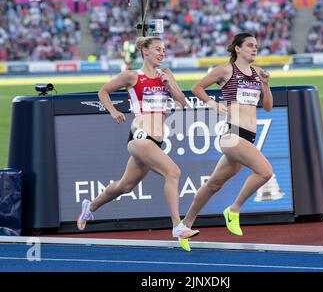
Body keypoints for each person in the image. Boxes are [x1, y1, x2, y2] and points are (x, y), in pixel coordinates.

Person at [77, 36, 199, 251]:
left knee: (125, 186)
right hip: (140, 136)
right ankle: (177, 226)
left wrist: (169, 85)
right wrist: (113, 111)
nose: (162, 53)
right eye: (158, 49)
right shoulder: (132, 76)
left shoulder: (166, 74)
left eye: (164, 50)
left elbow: (183, 102)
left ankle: (91, 206)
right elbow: (103, 91)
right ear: (145, 51)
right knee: (173, 172)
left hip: (156, 141)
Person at [180, 32, 273, 245]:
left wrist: (266, 84)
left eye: (256, 46)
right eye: (250, 45)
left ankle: (185, 225)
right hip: (232, 134)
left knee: (214, 184)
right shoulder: (226, 70)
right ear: (237, 48)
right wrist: (212, 104)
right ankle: (233, 210)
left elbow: (267, 107)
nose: (254, 48)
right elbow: (197, 87)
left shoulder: (258, 73)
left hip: (247, 138)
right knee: (265, 171)